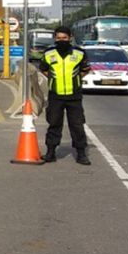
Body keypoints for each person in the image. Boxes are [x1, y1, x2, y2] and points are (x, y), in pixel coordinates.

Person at [36, 25, 92, 165]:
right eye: (59, 38)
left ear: (70, 38)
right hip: (56, 95)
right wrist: (54, 79)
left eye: (64, 38)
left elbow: (86, 69)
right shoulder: (49, 53)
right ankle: (50, 152)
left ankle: (81, 154)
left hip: (74, 96)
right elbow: (43, 69)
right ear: (55, 38)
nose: (62, 40)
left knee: (77, 125)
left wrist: (76, 79)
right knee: (54, 124)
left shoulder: (79, 53)